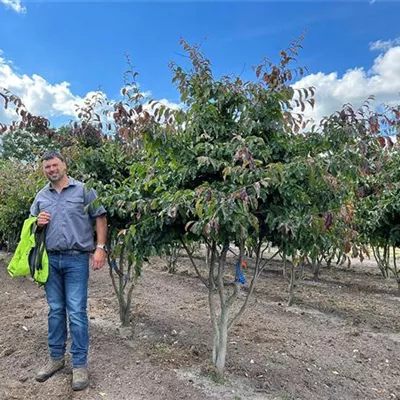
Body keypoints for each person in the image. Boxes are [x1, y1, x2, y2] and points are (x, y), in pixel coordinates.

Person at [30, 152, 107, 391]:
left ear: (64, 165)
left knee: (76, 311)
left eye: (55, 165)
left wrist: (100, 248)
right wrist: (37, 223)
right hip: (50, 260)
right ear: (44, 171)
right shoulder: (41, 196)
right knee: (55, 310)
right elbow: (30, 224)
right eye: (47, 167)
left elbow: (100, 217)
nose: (51, 169)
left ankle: (79, 364)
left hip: (76, 260)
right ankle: (56, 359)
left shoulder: (84, 191)